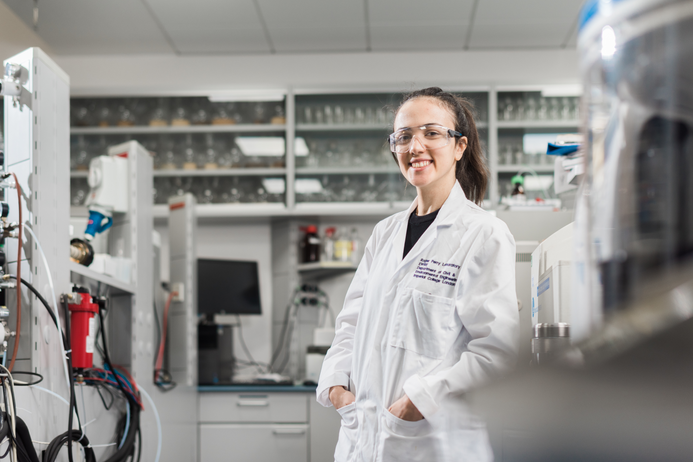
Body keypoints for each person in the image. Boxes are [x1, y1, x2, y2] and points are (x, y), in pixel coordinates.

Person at [316, 87, 520, 461]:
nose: (415, 146)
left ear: (459, 146)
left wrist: (419, 402)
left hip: (430, 441)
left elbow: (496, 352)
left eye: (431, 132)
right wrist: (335, 386)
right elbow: (350, 324)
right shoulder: (385, 234)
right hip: (362, 437)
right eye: (404, 136)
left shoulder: (482, 234)